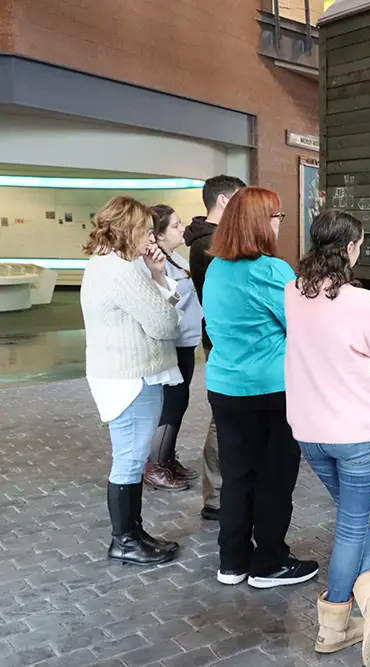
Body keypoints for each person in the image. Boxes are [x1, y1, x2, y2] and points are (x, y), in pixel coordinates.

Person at [285, 210, 370, 665]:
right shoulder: (361, 301)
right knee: (352, 524)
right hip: (359, 433)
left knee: (354, 518)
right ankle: (333, 623)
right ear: (350, 248)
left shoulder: (292, 292)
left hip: (310, 431)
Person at [202, 186, 318, 589]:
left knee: (237, 476)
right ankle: (269, 563)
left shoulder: (216, 266)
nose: (278, 224)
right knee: (274, 477)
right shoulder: (270, 270)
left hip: (224, 386)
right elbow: (300, 327)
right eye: (276, 217)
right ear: (258, 222)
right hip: (269, 390)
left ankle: (232, 561)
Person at [80, 196, 184, 566]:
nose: (149, 237)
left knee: (133, 457)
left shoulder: (110, 264)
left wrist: (156, 276)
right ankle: (124, 539)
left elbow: (158, 314)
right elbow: (165, 323)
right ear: (129, 229)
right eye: (144, 229)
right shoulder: (118, 270)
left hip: (127, 374)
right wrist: (158, 285)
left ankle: (133, 532)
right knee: (128, 460)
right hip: (129, 377)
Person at [184, 174, 246, 521]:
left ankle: (224, 489)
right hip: (223, 341)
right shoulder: (209, 245)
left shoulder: (217, 240)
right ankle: (216, 494)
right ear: (224, 201)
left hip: (227, 339)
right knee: (222, 416)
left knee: (227, 415)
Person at [137, 204, 203, 491]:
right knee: (170, 404)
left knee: (180, 402)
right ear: (159, 235)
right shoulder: (150, 264)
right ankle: (154, 465)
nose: (181, 229)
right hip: (170, 345)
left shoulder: (175, 257)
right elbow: (161, 303)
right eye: (175, 225)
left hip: (186, 341)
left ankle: (166, 457)